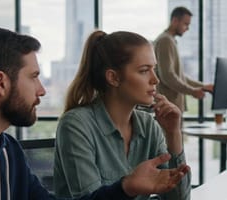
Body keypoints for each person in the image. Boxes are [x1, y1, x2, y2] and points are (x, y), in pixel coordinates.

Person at [0, 28, 190, 200]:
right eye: (33, 77)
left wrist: (125, 188)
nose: (43, 90)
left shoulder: (5, 149)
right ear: (1, 82)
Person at [54, 30, 190, 200]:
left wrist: (173, 134)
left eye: (154, 69)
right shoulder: (76, 125)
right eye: (144, 70)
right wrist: (129, 186)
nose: (155, 79)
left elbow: (179, 198)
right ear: (113, 78)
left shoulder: (148, 125)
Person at [154, 7, 213, 111]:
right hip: (168, 107)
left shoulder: (170, 40)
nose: (187, 28)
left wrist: (203, 86)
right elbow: (168, 76)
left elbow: (179, 76)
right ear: (175, 21)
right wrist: (192, 91)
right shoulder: (165, 41)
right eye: (186, 24)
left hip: (173, 106)